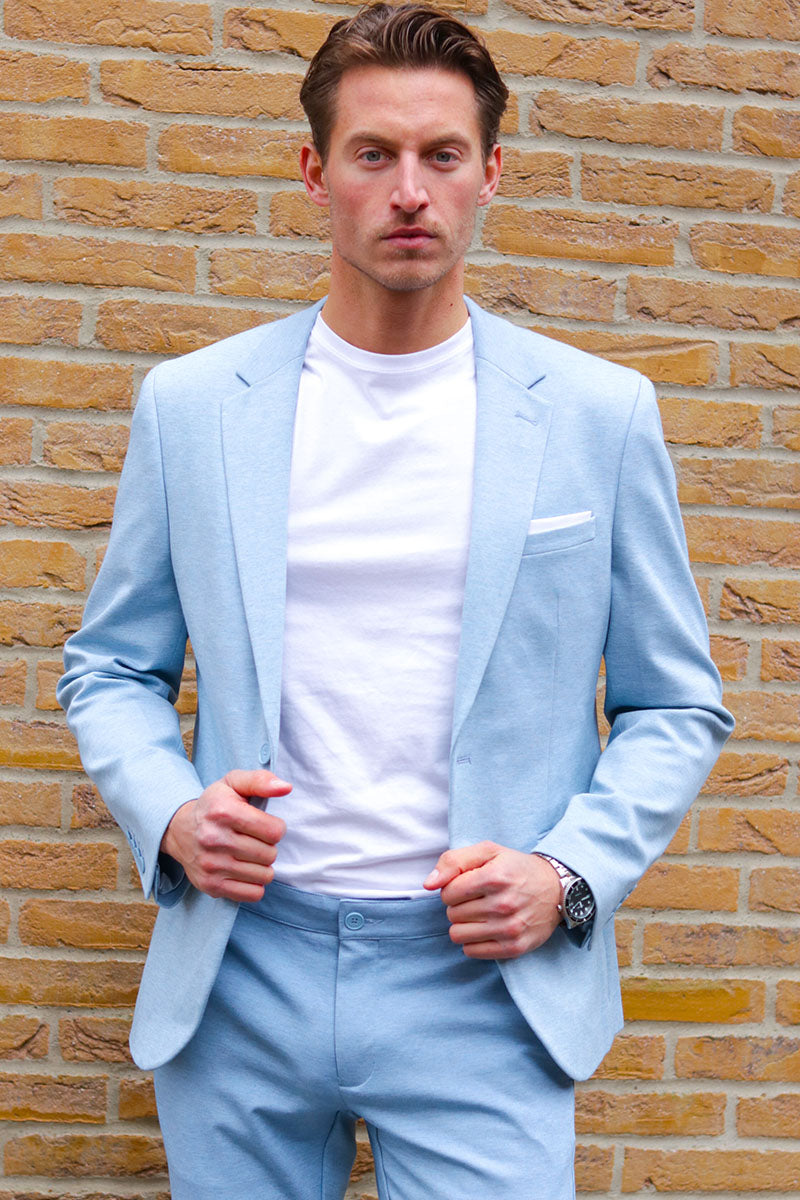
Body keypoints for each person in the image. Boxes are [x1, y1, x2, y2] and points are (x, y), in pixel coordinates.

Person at [58, 5, 733, 1197]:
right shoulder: (195, 406)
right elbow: (112, 666)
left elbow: (674, 703)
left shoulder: (596, 415)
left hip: (484, 983)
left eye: (441, 155)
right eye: (373, 153)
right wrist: (170, 813)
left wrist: (565, 873)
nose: (409, 191)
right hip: (242, 967)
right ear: (315, 172)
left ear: (490, 174)